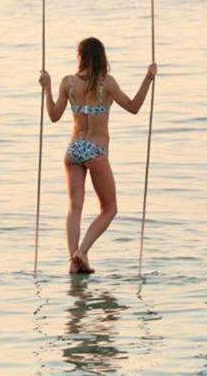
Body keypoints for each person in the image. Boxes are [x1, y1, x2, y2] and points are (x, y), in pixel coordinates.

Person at [39, 37, 156, 274]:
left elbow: (53, 115)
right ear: (101, 57)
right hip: (96, 150)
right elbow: (134, 107)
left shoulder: (68, 82)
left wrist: (47, 87)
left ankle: (74, 262)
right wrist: (148, 79)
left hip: (73, 149)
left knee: (75, 207)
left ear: (80, 57)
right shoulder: (107, 84)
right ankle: (82, 251)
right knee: (109, 209)